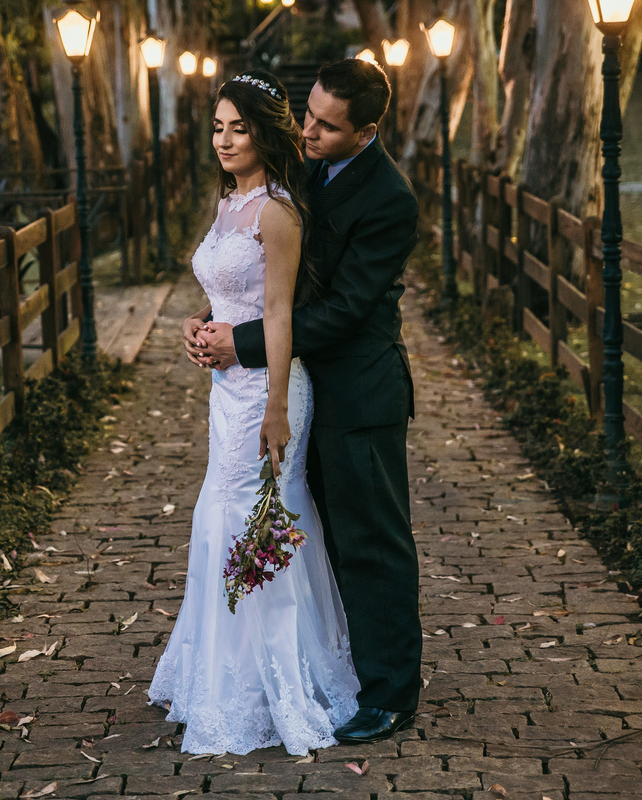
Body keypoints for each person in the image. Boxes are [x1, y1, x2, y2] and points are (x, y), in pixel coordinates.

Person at [187, 59, 422, 745]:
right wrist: (215, 322)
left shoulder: (389, 199)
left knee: (371, 542)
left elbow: (345, 311)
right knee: (305, 532)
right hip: (293, 381)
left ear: (368, 130)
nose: (310, 130)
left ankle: (390, 694)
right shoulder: (307, 171)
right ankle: (321, 666)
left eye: (327, 124)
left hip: (360, 392)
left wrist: (243, 343)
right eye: (307, 115)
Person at [147, 70, 360, 756]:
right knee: (224, 515)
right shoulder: (227, 203)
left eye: (239, 128)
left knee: (255, 518)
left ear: (265, 134)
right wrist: (200, 326)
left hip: (268, 391)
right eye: (217, 127)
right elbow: (230, 294)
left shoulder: (277, 211)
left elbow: (277, 313)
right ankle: (222, 673)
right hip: (225, 389)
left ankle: (276, 681)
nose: (225, 140)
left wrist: (274, 408)